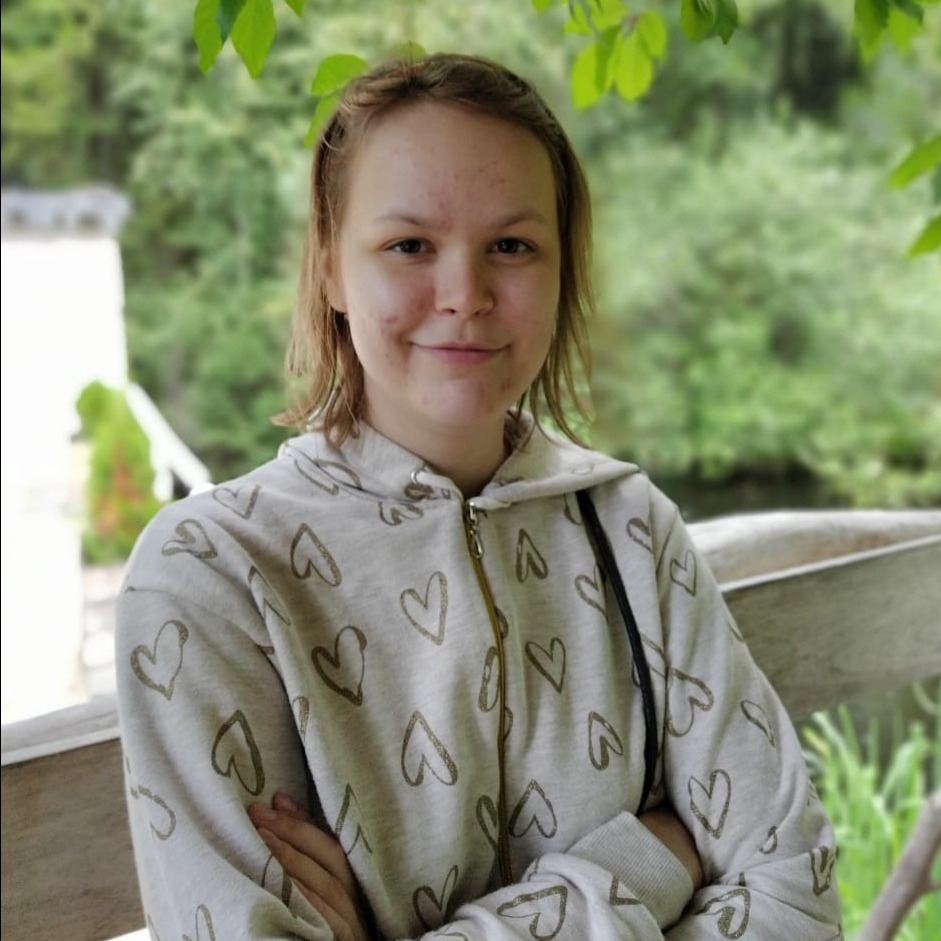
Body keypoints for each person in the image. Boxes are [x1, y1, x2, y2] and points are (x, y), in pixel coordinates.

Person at [116, 52, 842, 941]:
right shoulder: (213, 573)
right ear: (332, 269)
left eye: (511, 246)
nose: (464, 295)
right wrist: (649, 858)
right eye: (408, 245)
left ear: (561, 268)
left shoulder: (629, 528)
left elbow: (797, 904)